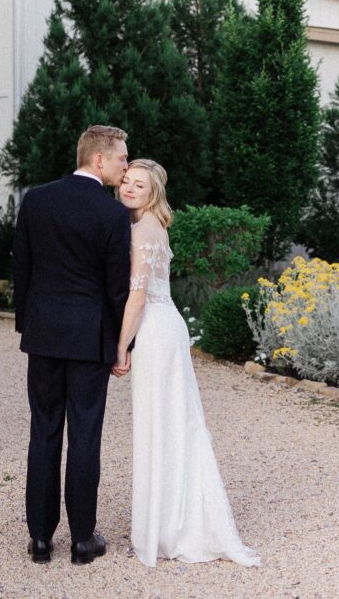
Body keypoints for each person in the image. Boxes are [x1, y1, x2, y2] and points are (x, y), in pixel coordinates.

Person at [112, 158, 260, 568]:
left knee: (159, 423)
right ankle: (170, 519)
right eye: (127, 181)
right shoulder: (153, 227)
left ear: (153, 192)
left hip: (154, 330)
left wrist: (121, 346)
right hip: (167, 325)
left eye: (139, 185)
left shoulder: (142, 230)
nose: (129, 188)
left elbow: (137, 295)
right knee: (174, 422)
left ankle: (168, 527)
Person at [13, 125, 131, 565]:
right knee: (85, 434)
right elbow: (117, 287)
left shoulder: (37, 199)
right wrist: (125, 343)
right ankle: (83, 539)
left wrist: (30, 325)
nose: (125, 165)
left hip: (43, 334)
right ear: (98, 160)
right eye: (121, 157)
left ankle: (40, 539)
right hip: (90, 336)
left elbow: (21, 268)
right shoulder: (112, 214)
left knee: (43, 430)